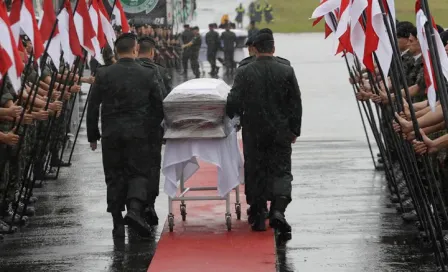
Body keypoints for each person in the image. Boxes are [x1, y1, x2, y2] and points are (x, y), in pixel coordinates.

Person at [86, 33, 164, 238]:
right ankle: (134, 210)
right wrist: (153, 128)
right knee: (138, 173)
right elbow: (158, 105)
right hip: (139, 134)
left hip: (111, 134)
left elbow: (93, 105)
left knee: (114, 175)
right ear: (135, 49)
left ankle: (117, 222)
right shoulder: (147, 74)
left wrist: (93, 135)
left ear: (117, 50)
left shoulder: (104, 74)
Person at [226, 31, 302, 240]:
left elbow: (233, 101)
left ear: (255, 49)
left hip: (254, 131)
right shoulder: (286, 70)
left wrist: (235, 117)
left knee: (255, 170)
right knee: (281, 171)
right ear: (273, 49)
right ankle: (278, 209)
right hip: (280, 131)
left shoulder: (245, 72)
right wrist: (294, 130)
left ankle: (259, 214)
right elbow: (295, 102)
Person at [136, 36, 168, 226]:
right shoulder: (160, 72)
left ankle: (134, 205)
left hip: (132, 129)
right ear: (152, 52)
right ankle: (149, 204)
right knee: (152, 167)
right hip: (152, 129)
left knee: (132, 168)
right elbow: (165, 100)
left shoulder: (126, 71)